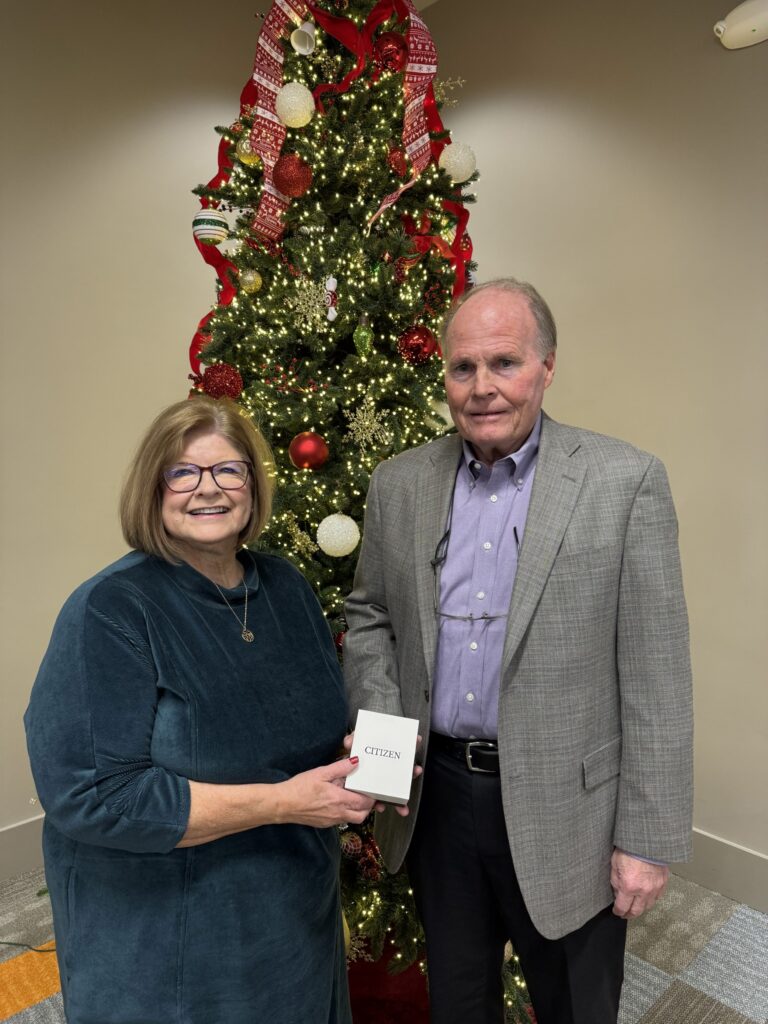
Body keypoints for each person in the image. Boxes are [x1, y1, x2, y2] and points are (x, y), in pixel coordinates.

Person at [343, 278, 693, 1024]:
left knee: (576, 1006)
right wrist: (382, 727)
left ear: (547, 366)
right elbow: (371, 616)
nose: (482, 389)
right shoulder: (400, 483)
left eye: (504, 363)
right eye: (462, 368)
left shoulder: (623, 482)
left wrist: (648, 839)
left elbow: (657, 677)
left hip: (571, 809)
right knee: (460, 1002)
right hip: (437, 798)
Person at [25, 396, 374, 1024]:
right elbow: (92, 795)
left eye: (228, 470)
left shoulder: (285, 588)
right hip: (169, 948)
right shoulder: (111, 610)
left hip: (293, 919)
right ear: (152, 490)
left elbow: (309, 722)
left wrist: (354, 762)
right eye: (182, 473)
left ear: (253, 486)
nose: (207, 489)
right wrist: (285, 802)